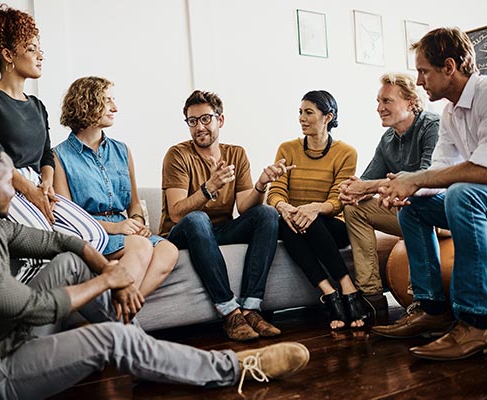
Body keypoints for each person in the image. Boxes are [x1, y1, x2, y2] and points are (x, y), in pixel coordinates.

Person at [0, 138, 310, 399]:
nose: (18, 190)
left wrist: (112, 275)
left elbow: (60, 241)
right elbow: (31, 309)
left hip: (5, 340)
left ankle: (146, 355)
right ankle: (235, 367)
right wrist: (108, 278)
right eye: (11, 183)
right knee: (110, 339)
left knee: (70, 262)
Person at [372, 27, 487, 361]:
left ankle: (475, 322)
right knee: (414, 207)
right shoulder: (451, 111)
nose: (420, 81)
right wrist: (407, 187)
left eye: (424, 71)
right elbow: (437, 175)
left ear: (449, 67)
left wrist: (417, 179)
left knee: (463, 194)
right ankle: (433, 308)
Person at [0, 4, 107, 283]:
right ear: (8, 55)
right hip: (4, 183)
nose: (40, 55)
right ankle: (18, 308)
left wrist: (46, 184)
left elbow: (46, 156)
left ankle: (62, 302)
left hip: (37, 183)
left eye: (39, 48)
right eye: (31, 48)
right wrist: (30, 190)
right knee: (42, 251)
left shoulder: (37, 106)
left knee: (94, 236)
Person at [160, 90, 293, 341]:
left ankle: (251, 308)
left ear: (220, 120)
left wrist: (261, 185)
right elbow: (177, 213)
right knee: (197, 219)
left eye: (206, 119)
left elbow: (245, 207)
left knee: (266, 213)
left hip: (218, 232)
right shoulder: (177, 155)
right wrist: (209, 188)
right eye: (192, 121)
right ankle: (230, 312)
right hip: (181, 234)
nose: (199, 126)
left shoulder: (237, 154)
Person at [53, 76, 178, 298]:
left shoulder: (122, 150)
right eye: (107, 100)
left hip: (126, 230)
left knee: (168, 250)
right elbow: (67, 217)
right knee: (141, 246)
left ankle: (119, 315)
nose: (115, 107)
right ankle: (118, 320)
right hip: (92, 233)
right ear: (87, 103)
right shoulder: (59, 156)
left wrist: (138, 222)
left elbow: (134, 203)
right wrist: (115, 228)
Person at [339, 73, 439, 316]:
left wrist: (369, 187)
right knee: (354, 209)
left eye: (386, 101)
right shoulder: (388, 139)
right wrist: (350, 190)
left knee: (413, 200)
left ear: (411, 102)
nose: (379, 108)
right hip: (406, 210)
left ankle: (423, 302)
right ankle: (372, 298)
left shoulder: (432, 126)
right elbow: (366, 181)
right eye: (378, 102)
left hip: (436, 210)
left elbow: (428, 177)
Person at [267, 90, 367, 330]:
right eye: (300, 112)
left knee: (309, 221)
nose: (302, 118)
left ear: (328, 117)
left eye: (309, 112)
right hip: (296, 222)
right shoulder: (287, 149)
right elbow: (276, 191)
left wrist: (314, 209)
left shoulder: (346, 152)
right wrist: (284, 206)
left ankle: (346, 287)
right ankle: (331, 292)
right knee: (287, 223)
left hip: (332, 224)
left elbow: (338, 199)